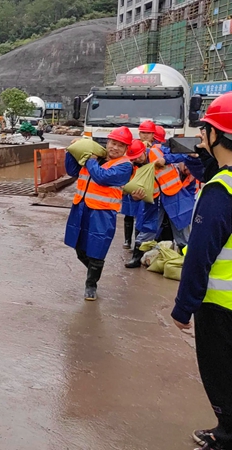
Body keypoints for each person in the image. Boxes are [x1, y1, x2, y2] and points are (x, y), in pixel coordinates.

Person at [170, 92, 232, 450]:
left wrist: (184, 307)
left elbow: (199, 256)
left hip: (221, 307)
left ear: (215, 135)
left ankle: (225, 437)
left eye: (205, 130)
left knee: (221, 374)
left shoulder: (220, 191)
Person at [64, 127, 134, 300]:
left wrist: (89, 160)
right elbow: (72, 171)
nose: (115, 148)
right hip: (82, 207)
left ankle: (91, 284)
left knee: (97, 249)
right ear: (107, 142)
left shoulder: (124, 166)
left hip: (103, 213)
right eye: (113, 143)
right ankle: (93, 272)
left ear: (126, 149)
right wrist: (70, 152)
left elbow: (101, 177)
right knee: (79, 247)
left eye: (120, 145)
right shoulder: (96, 156)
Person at [126, 126, 195, 268]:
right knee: (148, 228)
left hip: (173, 195)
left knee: (180, 228)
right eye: (134, 158)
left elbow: (183, 154)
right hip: (153, 200)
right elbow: (130, 186)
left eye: (139, 156)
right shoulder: (133, 166)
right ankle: (136, 257)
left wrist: (166, 159)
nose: (138, 159)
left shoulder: (158, 150)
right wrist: (135, 197)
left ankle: (187, 260)